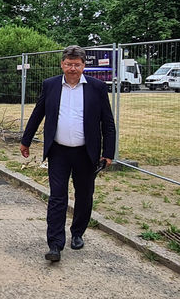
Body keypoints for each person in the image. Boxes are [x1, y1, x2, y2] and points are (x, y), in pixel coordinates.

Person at [20, 45, 115, 262]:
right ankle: (55, 244)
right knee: (57, 196)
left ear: (84, 66)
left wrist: (108, 152)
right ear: (62, 64)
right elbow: (38, 113)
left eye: (77, 65)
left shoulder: (97, 88)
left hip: (86, 153)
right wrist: (26, 140)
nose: (72, 68)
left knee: (84, 196)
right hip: (58, 151)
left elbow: (108, 123)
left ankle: (77, 233)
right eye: (69, 64)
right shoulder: (51, 85)